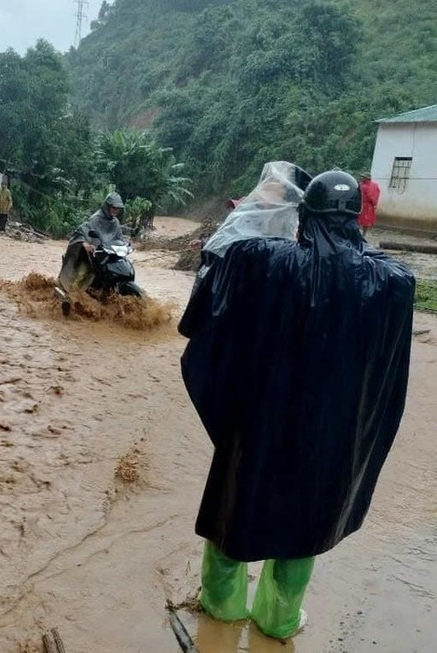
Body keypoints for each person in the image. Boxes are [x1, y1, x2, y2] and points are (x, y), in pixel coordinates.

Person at [177, 170, 414, 639]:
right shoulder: (391, 282)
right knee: (304, 524)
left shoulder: (265, 261)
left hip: (260, 423)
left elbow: (217, 272)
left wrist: (269, 206)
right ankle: (278, 620)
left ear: (303, 216)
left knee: (235, 509)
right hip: (330, 436)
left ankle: (221, 609)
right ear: (358, 219)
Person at [357, 171, 381, 238]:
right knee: (364, 221)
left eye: (363, 177)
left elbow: (370, 196)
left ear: (366, 178)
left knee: (363, 220)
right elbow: (377, 194)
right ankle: (362, 234)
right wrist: (374, 204)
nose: (362, 178)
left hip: (365, 205)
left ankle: (362, 234)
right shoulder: (372, 185)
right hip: (368, 205)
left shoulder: (364, 186)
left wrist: (373, 203)